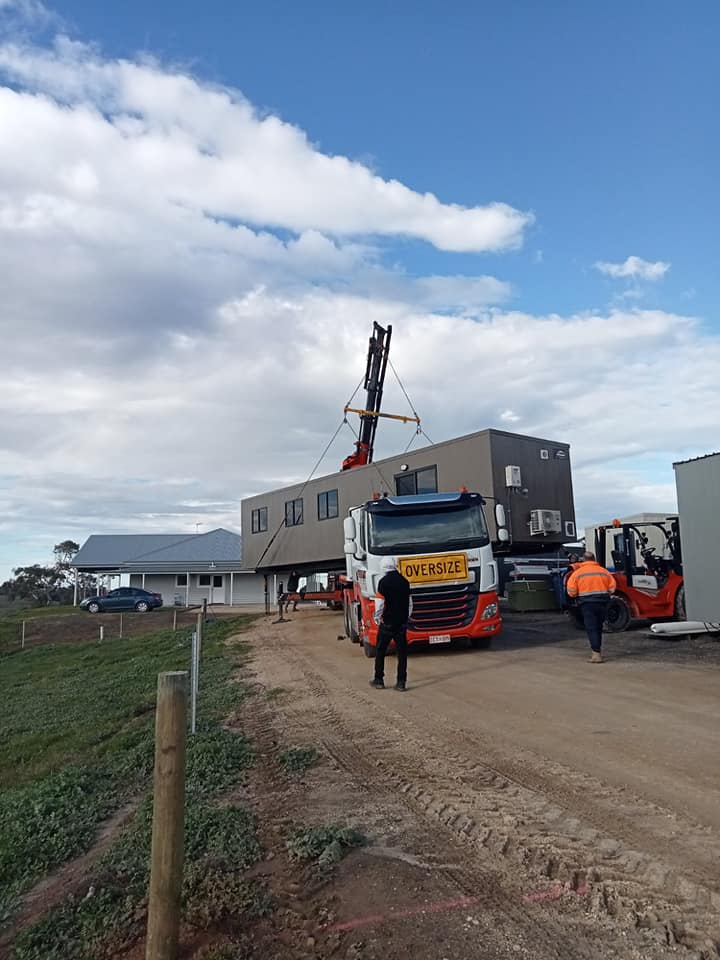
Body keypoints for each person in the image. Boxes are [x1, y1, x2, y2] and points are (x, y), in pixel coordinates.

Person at [369, 557, 412, 692]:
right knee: (402, 653)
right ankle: (401, 682)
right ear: (394, 565)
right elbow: (410, 603)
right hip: (401, 624)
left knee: (381, 650)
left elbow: (380, 603)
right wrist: (407, 617)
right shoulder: (405, 582)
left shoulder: (383, 582)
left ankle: (379, 679)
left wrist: (377, 617)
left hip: (387, 623)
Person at [566, 551, 617, 663]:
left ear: (583, 560)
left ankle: (596, 654)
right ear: (594, 559)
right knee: (598, 626)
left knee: (591, 627)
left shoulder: (577, 573)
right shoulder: (604, 572)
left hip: (587, 604)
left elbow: (571, 591)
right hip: (603, 602)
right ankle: (597, 650)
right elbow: (612, 588)